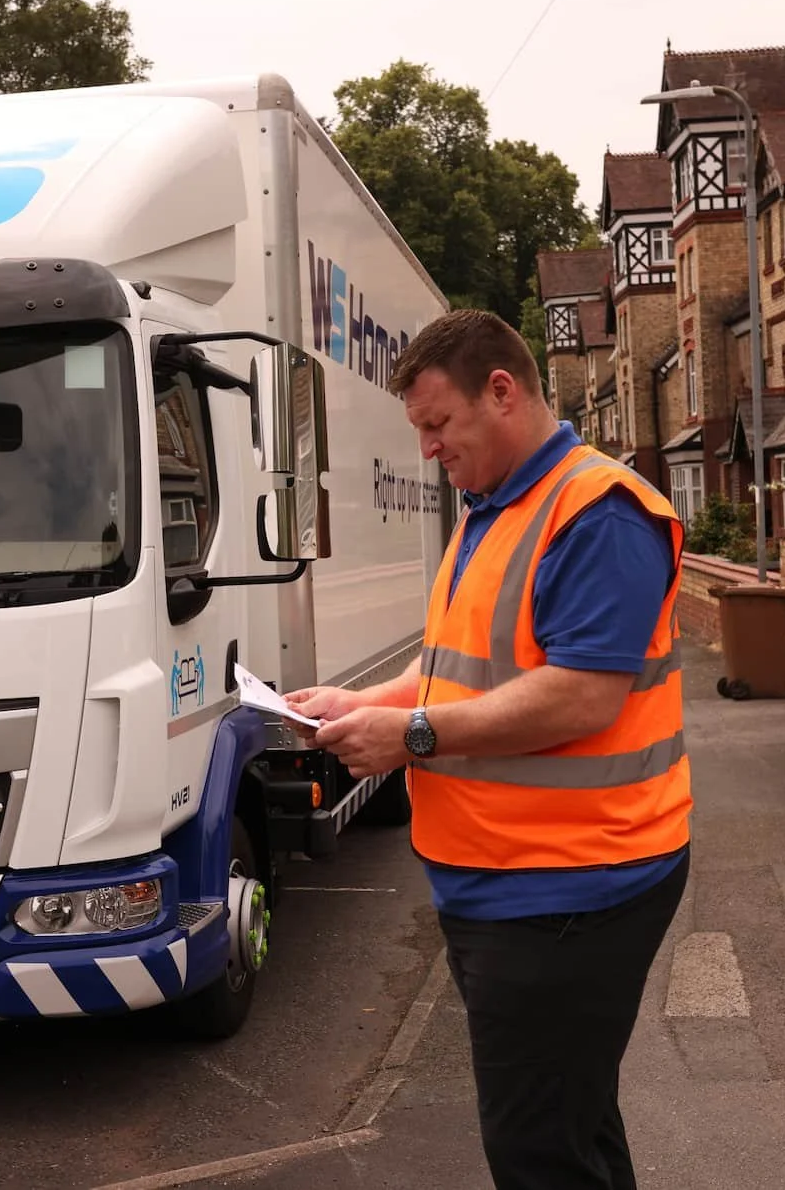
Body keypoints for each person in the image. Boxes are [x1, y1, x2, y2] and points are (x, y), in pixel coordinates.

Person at [287, 309, 692, 1190]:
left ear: (500, 392)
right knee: (569, 1128)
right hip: (514, 880)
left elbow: (584, 692)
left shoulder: (599, 513)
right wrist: (363, 701)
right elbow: (454, 667)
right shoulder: (494, 507)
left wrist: (411, 736)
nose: (428, 447)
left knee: (538, 1150)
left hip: (572, 884)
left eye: (437, 424)